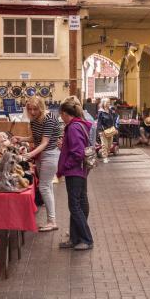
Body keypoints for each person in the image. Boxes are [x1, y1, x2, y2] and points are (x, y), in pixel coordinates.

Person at [14, 97, 61, 232]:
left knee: (44, 187)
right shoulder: (34, 120)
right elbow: (35, 138)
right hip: (42, 155)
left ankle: (51, 221)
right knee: (47, 187)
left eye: (35, 109)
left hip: (50, 154)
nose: (32, 112)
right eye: (30, 109)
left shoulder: (49, 118)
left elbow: (45, 142)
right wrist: (20, 138)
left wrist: (29, 154)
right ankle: (52, 219)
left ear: (41, 107)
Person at [56, 97, 95, 250]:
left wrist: (66, 165)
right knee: (79, 203)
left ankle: (86, 239)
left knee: (75, 205)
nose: (61, 117)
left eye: (61, 114)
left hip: (75, 170)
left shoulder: (73, 127)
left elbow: (77, 152)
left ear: (66, 114)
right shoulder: (80, 125)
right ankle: (75, 238)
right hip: (81, 169)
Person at [96, 98, 117, 163]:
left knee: (110, 144)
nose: (108, 103)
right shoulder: (101, 112)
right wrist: (100, 131)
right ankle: (105, 157)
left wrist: (115, 128)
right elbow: (99, 122)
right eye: (107, 102)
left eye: (109, 102)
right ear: (103, 103)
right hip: (103, 130)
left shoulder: (110, 111)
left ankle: (107, 155)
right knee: (104, 145)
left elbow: (114, 120)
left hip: (110, 130)